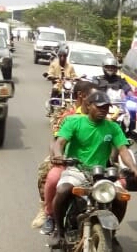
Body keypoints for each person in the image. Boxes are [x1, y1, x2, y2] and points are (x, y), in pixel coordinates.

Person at [47, 91, 137, 252]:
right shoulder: (74, 122)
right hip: (77, 169)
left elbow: (123, 150)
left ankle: (111, 234)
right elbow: (60, 142)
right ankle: (59, 231)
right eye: (99, 107)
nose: (104, 110)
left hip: (102, 172)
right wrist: (58, 156)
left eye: (106, 107)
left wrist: (133, 167)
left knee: (121, 197)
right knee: (63, 191)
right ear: (88, 105)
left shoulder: (113, 127)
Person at [33, 81, 95, 230]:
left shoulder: (104, 116)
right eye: (94, 97)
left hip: (95, 163)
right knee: (51, 176)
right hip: (70, 161)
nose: (99, 101)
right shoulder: (69, 116)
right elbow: (56, 141)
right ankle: (49, 214)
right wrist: (57, 158)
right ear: (83, 97)